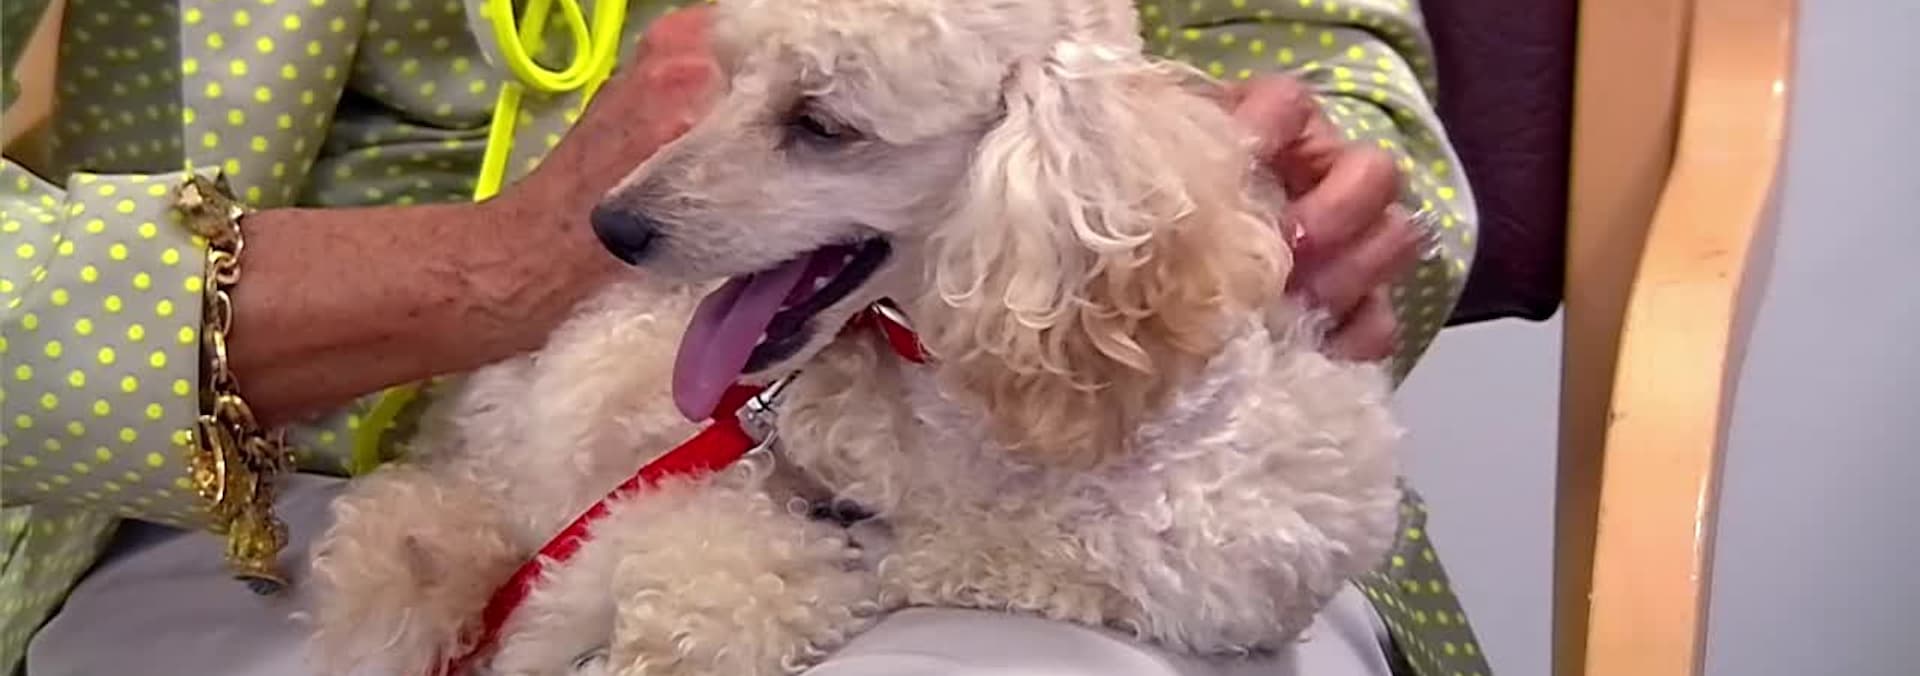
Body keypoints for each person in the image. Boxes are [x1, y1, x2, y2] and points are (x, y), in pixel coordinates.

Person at [0, 1, 1487, 674]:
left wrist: (1278, 213)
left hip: (1056, 467)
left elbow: (1341, 74)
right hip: (249, 496)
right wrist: (491, 265)